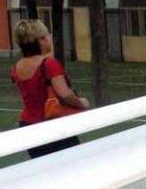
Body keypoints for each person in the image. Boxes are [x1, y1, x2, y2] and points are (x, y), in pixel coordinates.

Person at [11, 19, 88, 158]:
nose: (50, 37)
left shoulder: (18, 66)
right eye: (47, 35)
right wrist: (81, 103)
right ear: (41, 41)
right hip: (51, 123)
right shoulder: (49, 64)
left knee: (44, 169)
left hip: (28, 124)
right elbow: (64, 94)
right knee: (72, 164)